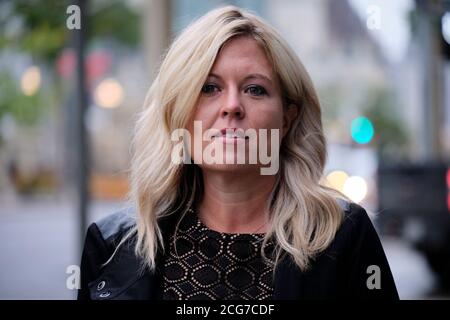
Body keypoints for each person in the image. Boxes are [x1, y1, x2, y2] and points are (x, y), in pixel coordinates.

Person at [77, 6, 399, 300]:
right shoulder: (111, 245)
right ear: (178, 112)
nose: (231, 106)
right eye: (209, 87)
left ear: (287, 118)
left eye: (254, 89)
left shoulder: (344, 237)